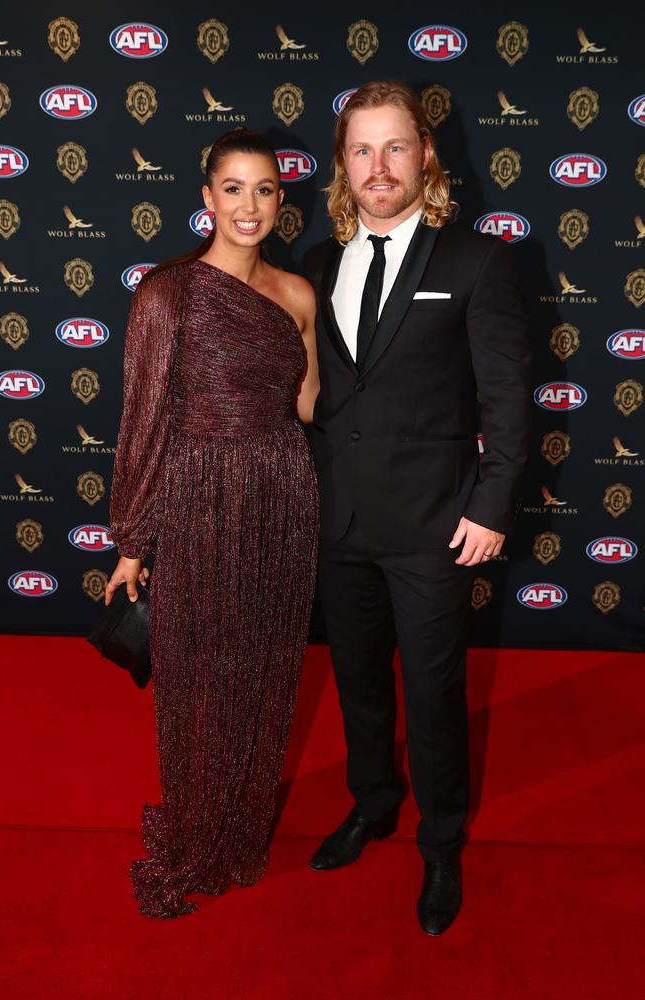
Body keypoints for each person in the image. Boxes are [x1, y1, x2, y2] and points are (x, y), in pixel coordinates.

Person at [303, 81, 531, 935]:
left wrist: (493, 506)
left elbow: (509, 399)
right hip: (340, 522)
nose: (378, 167)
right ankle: (374, 803)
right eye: (361, 150)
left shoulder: (476, 261)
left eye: (395, 147)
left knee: (433, 696)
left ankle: (441, 843)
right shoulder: (317, 265)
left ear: (426, 155)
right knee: (360, 684)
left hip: (438, 525)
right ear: (342, 165)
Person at [105, 127, 319, 919]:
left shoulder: (297, 294)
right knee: (200, 673)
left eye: (265, 189)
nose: (250, 205)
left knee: (263, 670)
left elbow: (310, 406)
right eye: (234, 188)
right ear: (207, 198)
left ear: (280, 201)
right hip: (199, 494)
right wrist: (134, 539)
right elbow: (146, 420)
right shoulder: (169, 293)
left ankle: (239, 826)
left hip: (282, 493)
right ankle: (200, 827)